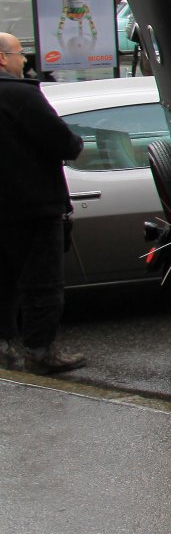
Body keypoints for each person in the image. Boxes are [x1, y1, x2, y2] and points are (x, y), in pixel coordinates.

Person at [0, 32, 86, 374]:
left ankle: (3, 344)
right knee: (42, 283)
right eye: (20, 53)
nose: (25, 60)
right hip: (33, 206)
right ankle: (40, 350)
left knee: (3, 280)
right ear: (2, 58)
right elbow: (65, 143)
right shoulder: (20, 95)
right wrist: (76, 143)